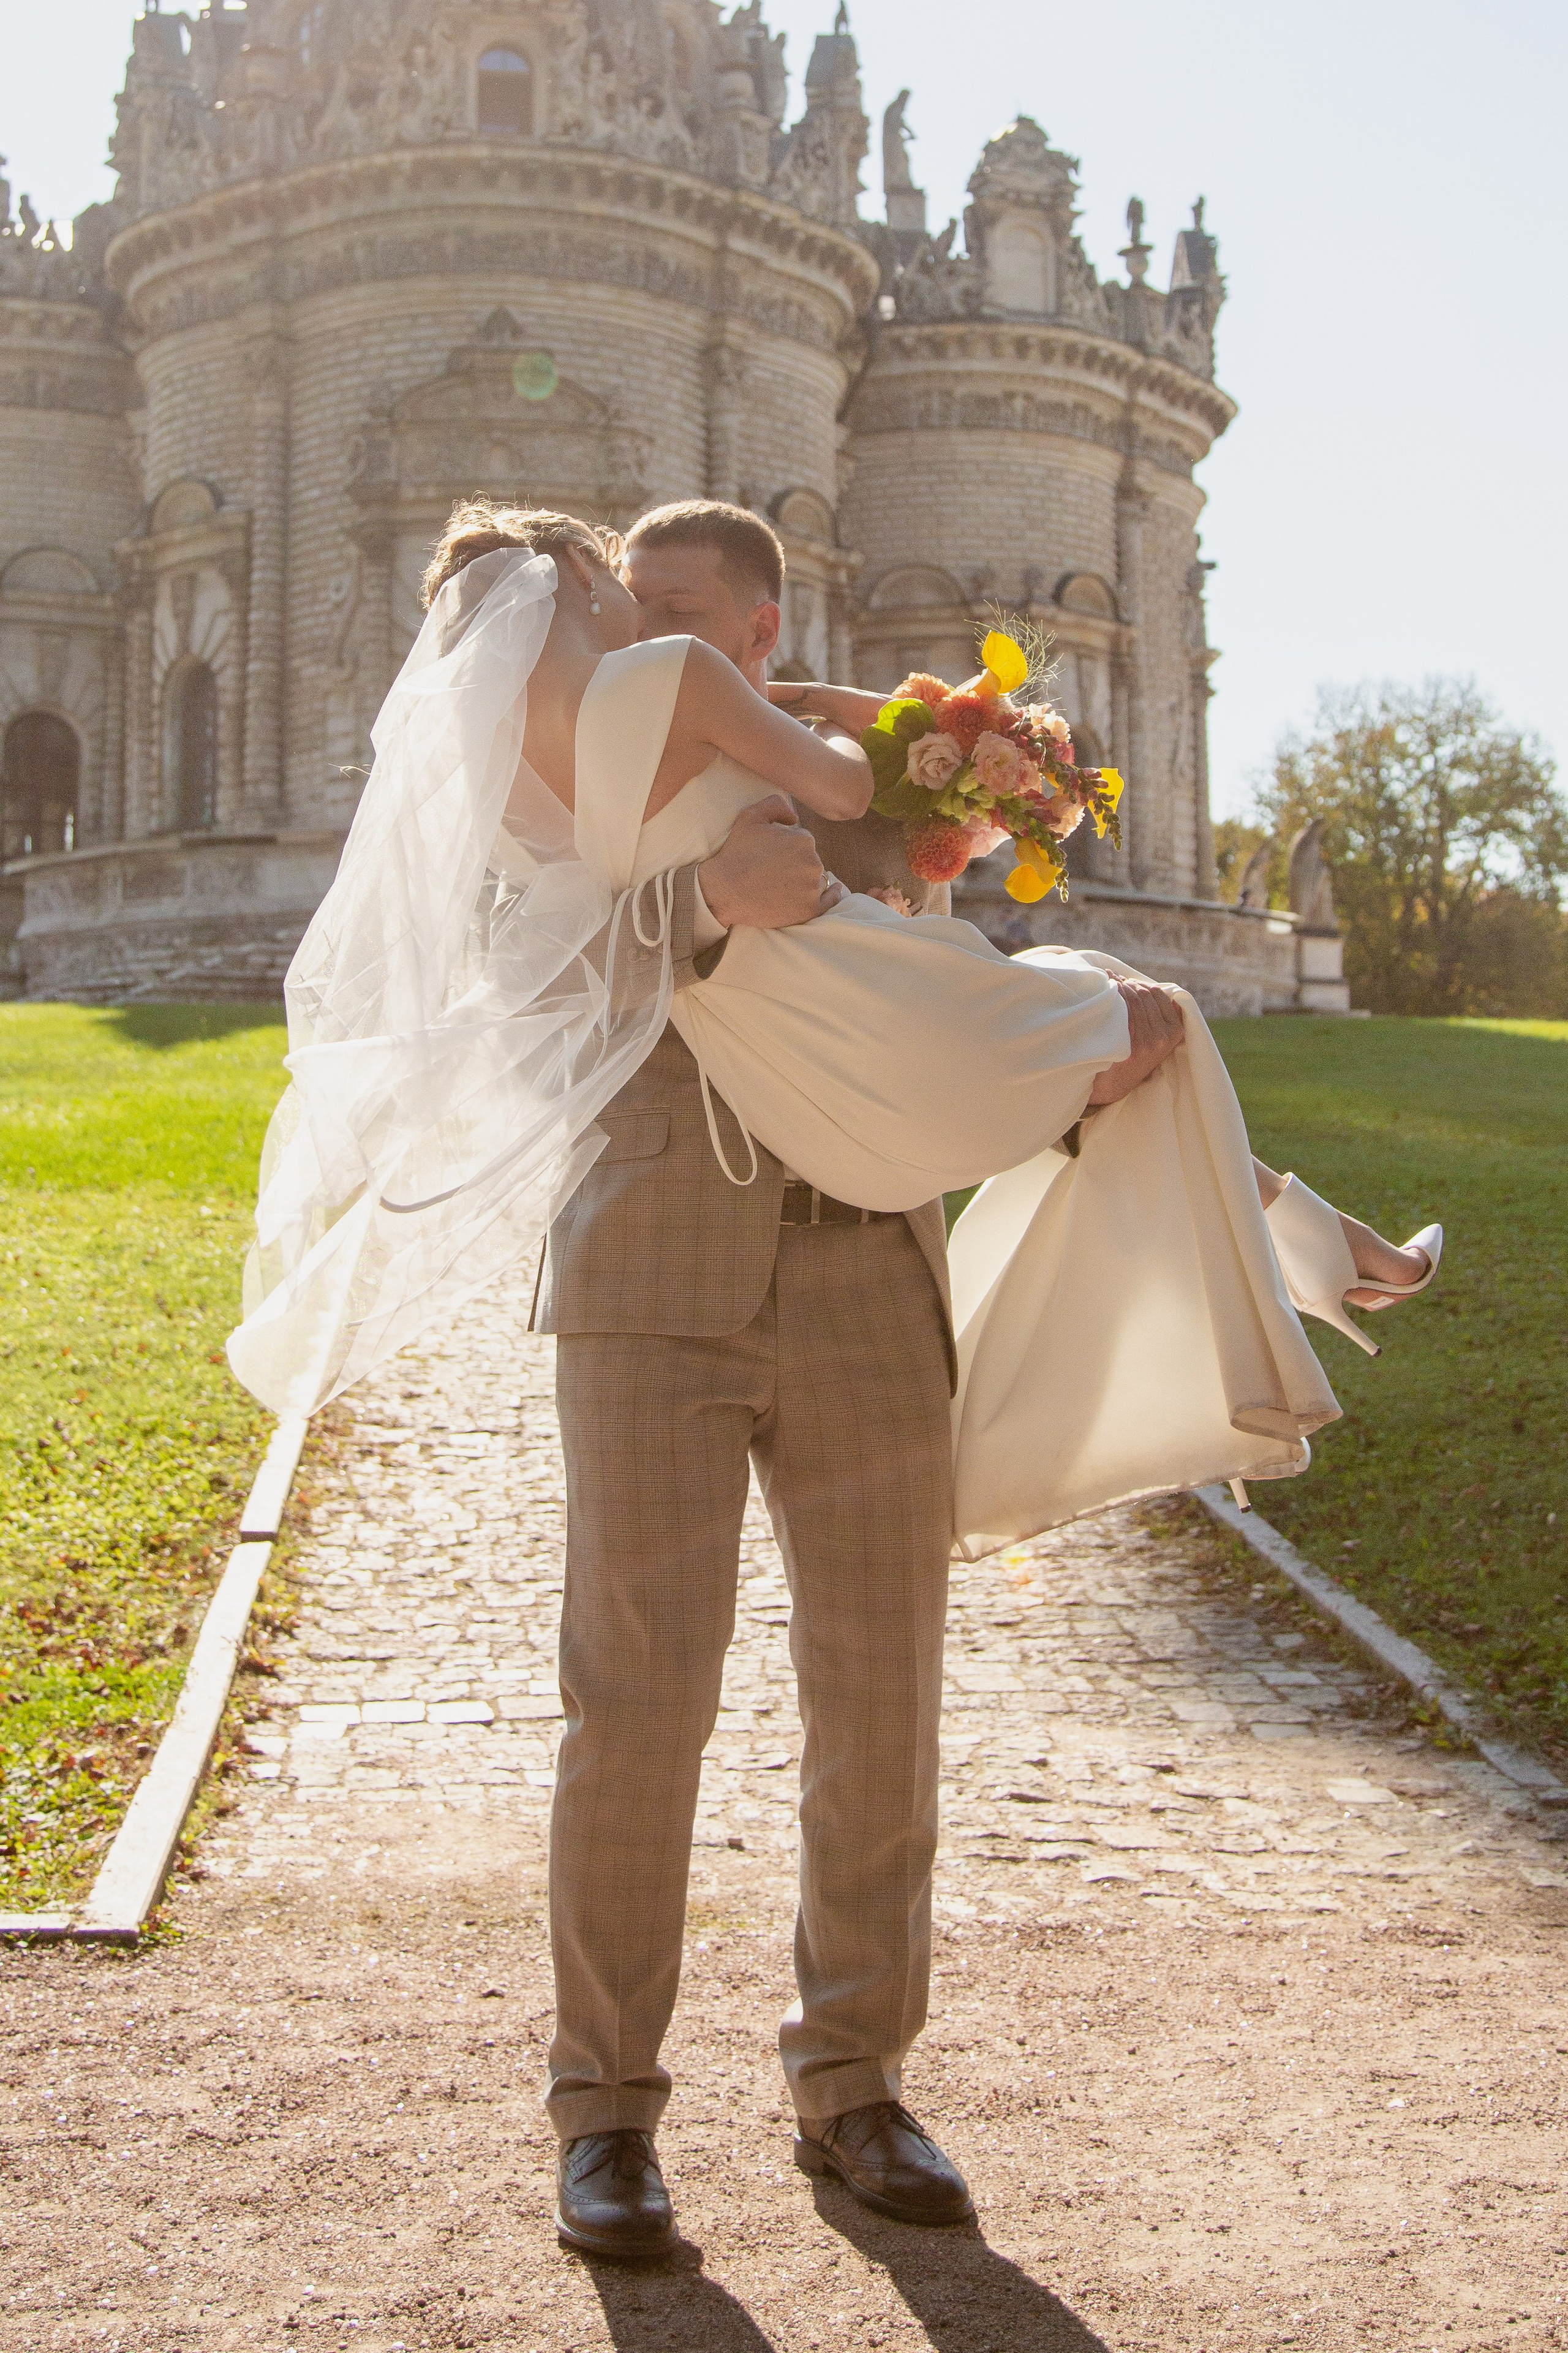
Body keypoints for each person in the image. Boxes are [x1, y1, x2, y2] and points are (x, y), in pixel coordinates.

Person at [227, 497, 1439, 2262]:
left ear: (763, 632)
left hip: (867, 1263)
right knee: (633, 1702)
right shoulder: (524, 773)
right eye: (624, 603)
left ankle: (857, 2080)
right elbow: (511, 987)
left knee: (882, 1691)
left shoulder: (856, 776)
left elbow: (941, 995)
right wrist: (697, 911)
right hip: (651, 1275)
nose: (642, 634)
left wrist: (963, 785)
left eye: (681, 612)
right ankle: (605, 2112)